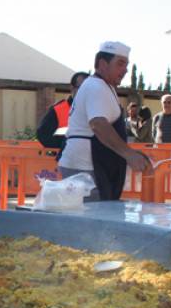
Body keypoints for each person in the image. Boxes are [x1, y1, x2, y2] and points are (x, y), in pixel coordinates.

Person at [58, 41, 152, 201]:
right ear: (102, 63)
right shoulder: (96, 87)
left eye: (126, 65)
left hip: (86, 165)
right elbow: (98, 124)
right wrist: (129, 154)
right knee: (91, 221)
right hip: (86, 168)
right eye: (120, 64)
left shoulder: (102, 87)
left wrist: (131, 153)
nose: (125, 70)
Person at [37, 71, 89, 155]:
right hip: (65, 162)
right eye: (82, 88)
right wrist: (64, 147)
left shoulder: (94, 110)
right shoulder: (58, 110)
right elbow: (42, 134)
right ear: (72, 88)